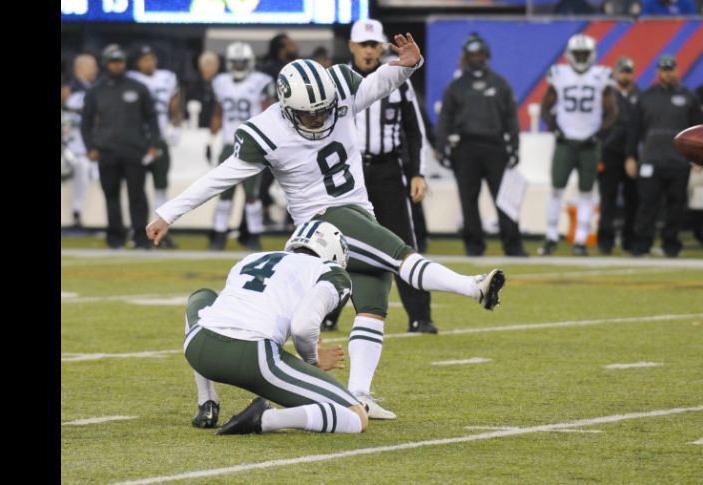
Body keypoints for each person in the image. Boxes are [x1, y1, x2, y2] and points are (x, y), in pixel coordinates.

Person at [147, 33, 506, 421]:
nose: (319, 119)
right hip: (321, 224)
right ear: (286, 108)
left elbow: (374, 86)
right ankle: (474, 287)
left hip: (358, 212)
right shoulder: (266, 131)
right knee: (400, 255)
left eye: (324, 111)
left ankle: (360, 393)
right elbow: (221, 176)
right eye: (309, 114)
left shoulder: (338, 89)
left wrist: (407, 67)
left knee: (372, 307)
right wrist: (169, 212)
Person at [185, 221, 368, 435]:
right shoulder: (332, 271)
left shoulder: (251, 258)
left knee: (202, 296)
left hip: (198, 347)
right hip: (252, 357)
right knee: (357, 416)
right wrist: (312, 360)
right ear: (336, 255)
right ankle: (266, 418)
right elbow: (302, 326)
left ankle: (206, 402)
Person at [321, 18, 436, 335]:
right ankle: (327, 313)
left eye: (374, 45)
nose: (369, 52)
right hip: (347, 172)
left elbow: (414, 132)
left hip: (387, 169)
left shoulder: (399, 77)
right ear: (352, 46)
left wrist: (417, 173)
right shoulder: (334, 81)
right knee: (332, 242)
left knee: (402, 242)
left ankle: (420, 315)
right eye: (364, 45)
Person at [435, 34, 528, 257]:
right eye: (472, 55)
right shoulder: (456, 87)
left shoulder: (500, 83)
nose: (476, 59)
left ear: (486, 56)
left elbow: (511, 118)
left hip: (495, 146)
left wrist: (514, 145)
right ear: (466, 58)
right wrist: (441, 146)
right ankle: (474, 246)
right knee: (468, 200)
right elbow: (445, 118)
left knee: (504, 199)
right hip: (466, 147)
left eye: (480, 55)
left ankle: (513, 246)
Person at [538, 33, 617, 257]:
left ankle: (580, 240)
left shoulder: (601, 75)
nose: (581, 57)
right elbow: (546, 107)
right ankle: (551, 236)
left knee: (587, 192)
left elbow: (612, 112)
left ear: (592, 55)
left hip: (590, 143)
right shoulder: (559, 74)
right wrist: (555, 129)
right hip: (566, 141)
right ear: (569, 55)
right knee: (556, 189)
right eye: (577, 54)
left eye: (584, 54)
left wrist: (600, 133)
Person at [625, 54, 703, 257]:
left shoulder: (688, 97)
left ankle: (671, 246)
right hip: (650, 160)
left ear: (676, 71)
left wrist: (700, 158)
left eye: (670, 69)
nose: (667, 73)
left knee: (676, 207)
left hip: (678, 161)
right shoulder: (646, 97)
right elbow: (634, 130)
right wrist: (630, 156)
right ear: (657, 72)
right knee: (647, 205)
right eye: (663, 69)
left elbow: (701, 130)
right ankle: (641, 245)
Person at [82, 44, 160, 249]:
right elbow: (86, 121)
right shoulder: (96, 91)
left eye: (120, 61)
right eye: (113, 62)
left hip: (135, 151)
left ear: (124, 63)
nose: (117, 65)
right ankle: (115, 237)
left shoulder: (138, 87)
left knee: (137, 196)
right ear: (106, 63)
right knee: (111, 196)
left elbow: (152, 118)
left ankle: (141, 238)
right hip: (106, 151)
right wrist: (90, 146)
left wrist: (154, 144)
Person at [207, 41, 276, 250]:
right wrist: (210, 140)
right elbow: (219, 112)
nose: (238, 66)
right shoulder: (220, 82)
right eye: (235, 63)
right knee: (224, 193)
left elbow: (270, 113)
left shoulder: (261, 82)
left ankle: (254, 235)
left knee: (252, 194)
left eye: (242, 62)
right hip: (229, 143)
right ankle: (219, 234)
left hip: (252, 144)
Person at [128, 45, 183, 249]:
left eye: (151, 58)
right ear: (137, 62)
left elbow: (174, 104)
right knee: (136, 190)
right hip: (137, 140)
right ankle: (138, 233)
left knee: (161, 187)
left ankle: (160, 232)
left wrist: (176, 126)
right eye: (144, 59)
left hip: (159, 138)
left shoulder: (167, 77)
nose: (149, 63)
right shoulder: (131, 78)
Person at [597, 57, 641, 255]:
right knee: (608, 198)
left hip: (632, 152)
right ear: (615, 73)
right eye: (622, 71)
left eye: (628, 71)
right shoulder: (606, 94)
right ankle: (605, 241)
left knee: (633, 198)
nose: (625, 75)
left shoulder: (638, 94)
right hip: (610, 152)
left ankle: (628, 240)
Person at [258, 33, 301, 228]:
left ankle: (294, 216)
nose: (295, 47)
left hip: (296, 128)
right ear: (281, 48)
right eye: (290, 44)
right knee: (264, 176)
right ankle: (265, 213)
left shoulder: (297, 68)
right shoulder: (268, 71)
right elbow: (264, 101)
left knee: (297, 175)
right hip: (274, 128)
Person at [61, 53, 100, 228]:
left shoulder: (93, 89)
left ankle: (77, 212)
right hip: (69, 145)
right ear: (79, 69)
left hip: (80, 146)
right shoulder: (69, 88)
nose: (96, 70)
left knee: (84, 167)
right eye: (92, 67)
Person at [185, 51, 220, 129]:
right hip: (197, 128)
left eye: (212, 64)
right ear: (200, 66)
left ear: (217, 67)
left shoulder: (222, 86)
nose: (210, 68)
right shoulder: (193, 87)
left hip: (218, 129)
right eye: (207, 64)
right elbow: (186, 111)